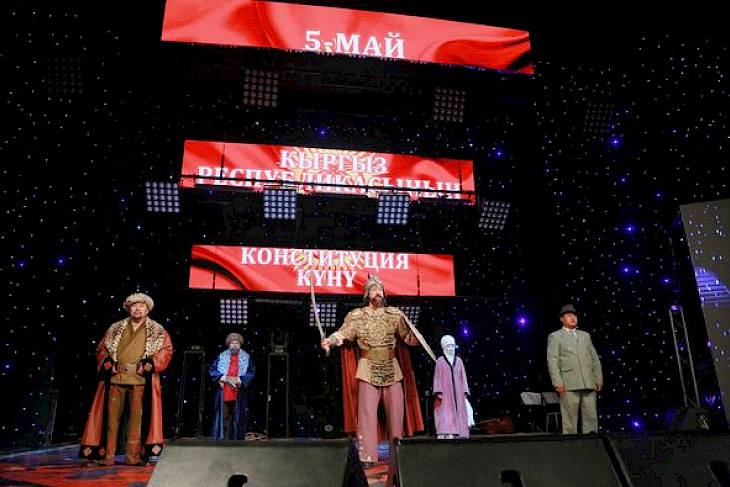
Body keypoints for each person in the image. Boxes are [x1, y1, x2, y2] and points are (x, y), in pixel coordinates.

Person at [321, 275, 423, 467]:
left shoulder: (394, 315)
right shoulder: (357, 316)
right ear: (367, 294)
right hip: (367, 368)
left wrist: (416, 339)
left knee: (396, 415)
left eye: (380, 289)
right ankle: (367, 456)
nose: (378, 293)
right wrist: (330, 341)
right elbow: (343, 333)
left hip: (392, 368)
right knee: (367, 416)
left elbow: (407, 337)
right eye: (374, 289)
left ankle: (397, 455)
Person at [79, 293, 173, 465]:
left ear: (147, 309)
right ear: (128, 309)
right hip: (116, 379)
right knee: (110, 421)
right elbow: (101, 349)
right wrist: (108, 364)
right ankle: (106, 456)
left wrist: (150, 364)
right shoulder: (115, 328)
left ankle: (133, 457)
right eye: (134, 306)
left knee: (137, 422)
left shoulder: (157, 330)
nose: (137, 309)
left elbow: (166, 350)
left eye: (141, 306)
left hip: (140, 381)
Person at [547, 304, 603, 434]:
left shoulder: (585, 336)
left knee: (591, 417)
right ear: (562, 319)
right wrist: (557, 382)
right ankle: (571, 443)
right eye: (568, 316)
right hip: (569, 383)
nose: (572, 318)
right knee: (570, 420)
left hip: (588, 381)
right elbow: (553, 361)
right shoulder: (555, 336)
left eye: (574, 315)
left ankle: (591, 441)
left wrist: (598, 378)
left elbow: (594, 358)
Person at [209, 332, 256, 440]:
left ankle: (237, 439)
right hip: (224, 390)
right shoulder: (221, 356)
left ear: (240, 345)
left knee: (237, 416)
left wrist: (241, 380)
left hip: (238, 391)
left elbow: (251, 372)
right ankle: (223, 439)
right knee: (224, 416)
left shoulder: (246, 357)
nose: (234, 345)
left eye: (236, 343)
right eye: (232, 343)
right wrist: (221, 377)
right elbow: (212, 370)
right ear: (229, 345)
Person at [433, 335, 472, 439]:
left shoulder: (459, 361)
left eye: (452, 346)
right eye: (448, 346)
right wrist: (438, 391)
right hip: (446, 393)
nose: (451, 349)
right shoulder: (440, 361)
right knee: (447, 412)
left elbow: (463, 377)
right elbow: (437, 377)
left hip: (458, 392)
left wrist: (465, 390)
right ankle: (448, 431)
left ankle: (461, 432)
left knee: (460, 411)